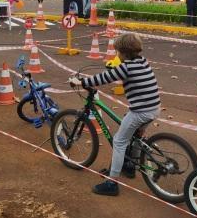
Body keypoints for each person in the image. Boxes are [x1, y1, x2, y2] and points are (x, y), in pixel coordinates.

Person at [69, 33, 161, 196]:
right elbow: (118, 73)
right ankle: (129, 166)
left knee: (119, 141)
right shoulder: (143, 61)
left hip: (141, 111)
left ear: (123, 53)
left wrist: (81, 82)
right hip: (154, 108)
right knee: (135, 135)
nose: (117, 54)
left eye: (118, 51)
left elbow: (104, 78)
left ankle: (112, 183)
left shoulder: (125, 68)